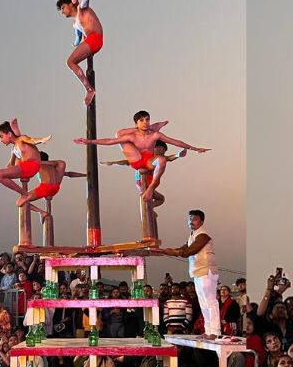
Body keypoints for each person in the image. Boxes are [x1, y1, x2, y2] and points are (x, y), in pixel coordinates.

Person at [73, 110, 210, 202]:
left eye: (147, 120)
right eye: (142, 120)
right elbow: (110, 142)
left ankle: (150, 189)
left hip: (149, 160)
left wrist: (195, 148)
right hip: (136, 159)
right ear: (136, 123)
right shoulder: (132, 135)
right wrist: (89, 141)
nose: (145, 122)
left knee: (162, 160)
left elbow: (176, 142)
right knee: (119, 135)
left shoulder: (155, 135)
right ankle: (148, 125)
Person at [154, 210, 220, 339]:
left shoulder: (203, 236)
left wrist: (169, 252)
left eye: (194, 219)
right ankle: (208, 330)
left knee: (210, 302)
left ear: (201, 221)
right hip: (197, 273)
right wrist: (165, 251)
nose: (190, 222)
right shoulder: (192, 236)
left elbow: (188, 251)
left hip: (206, 271)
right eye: (189, 219)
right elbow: (182, 249)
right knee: (203, 303)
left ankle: (216, 331)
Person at [55, 0, 103, 105]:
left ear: (70, 4)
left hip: (95, 38)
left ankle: (89, 89)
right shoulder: (75, 24)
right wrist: (75, 44)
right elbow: (77, 38)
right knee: (71, 62)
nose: (62, 12)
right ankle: (89, 89)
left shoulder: (82, 9)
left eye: (63, 7)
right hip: (90, 40)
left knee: (70, 62)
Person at [0, 120, 51, 207]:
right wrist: (0, 176)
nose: (1, 140)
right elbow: (10, 165)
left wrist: (42, 140)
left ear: (9, 134)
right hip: (25, 167)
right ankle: (25, 194)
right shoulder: (13, 149)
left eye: (1, 136)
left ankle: (25, 194)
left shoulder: (21, 139)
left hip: (32, 165)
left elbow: (31, 140)